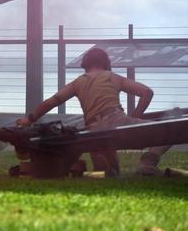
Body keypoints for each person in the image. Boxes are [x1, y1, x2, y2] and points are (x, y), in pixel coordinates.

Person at [16, 47, 170, 176]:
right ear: (106, 63)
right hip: (116, 121)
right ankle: (148, 162)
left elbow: (52, 101)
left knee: (110, 172)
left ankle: (104, 164)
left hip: (94, 130)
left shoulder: (78, 82)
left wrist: (29, 120)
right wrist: (135, 117)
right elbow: (147, 93)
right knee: (168, 130)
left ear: (85, 64)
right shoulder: (112, 77)